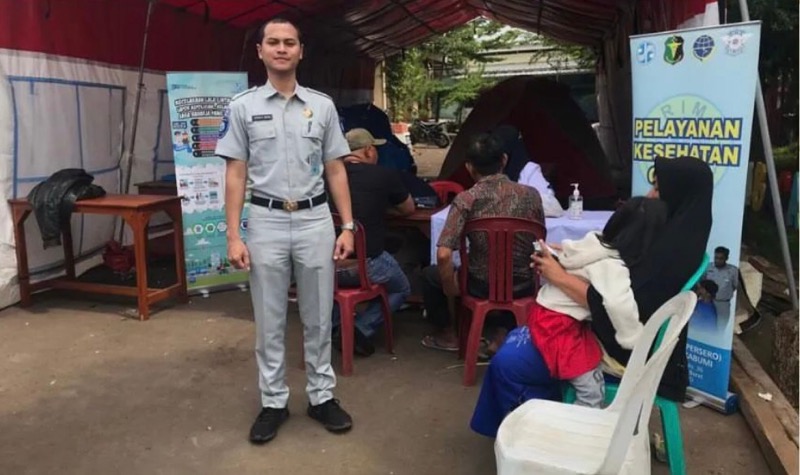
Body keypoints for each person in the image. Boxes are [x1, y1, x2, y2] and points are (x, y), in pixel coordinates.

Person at [470, 156, 712, 437]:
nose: (649, 195)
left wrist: (559, 276)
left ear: (678, 195)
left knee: (507, 363)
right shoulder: (675, 238)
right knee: (516, 347)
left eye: (657, 189)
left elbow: (615, 307)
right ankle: (541, 425)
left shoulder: (667, 258)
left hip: (626, 350)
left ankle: (547, 435)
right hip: (613, 334)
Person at [215, 17, 356, 445]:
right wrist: (234, 235)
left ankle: (321, 396)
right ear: (260, 51)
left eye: (289, 42)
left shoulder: (323, 106)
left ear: (300, 52)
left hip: (315, 220)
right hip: (266, 221)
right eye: (273, 42)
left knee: (317, 316)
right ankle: (273, 402)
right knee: (270, 318)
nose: (281, 49)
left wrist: (346, 225)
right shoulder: (242, 107)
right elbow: (236, 174)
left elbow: (336, 169)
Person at [529, 197, 668, 407]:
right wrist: (634, 337)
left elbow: (568, 249)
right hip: (559, 327)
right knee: (591, 392)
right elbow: (617, 304)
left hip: (546, 313)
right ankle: (575, 433)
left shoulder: (594, 241)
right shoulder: (613, 266)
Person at [420, 133, 544, 352]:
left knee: (431, 275)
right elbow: (540, 240)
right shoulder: (531, 195)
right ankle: (502, 332)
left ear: (469, 167)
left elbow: (443, 255)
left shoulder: (466, 199)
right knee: (508, 276)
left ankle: (450, 334)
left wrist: (450, 288)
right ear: (504, 160)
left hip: (479, 285)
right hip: (525, 283)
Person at [331, 128, 414, 355]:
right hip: (367, 265)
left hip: (329, 266)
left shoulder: (326, 178)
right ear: (368, 151)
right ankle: (360, 328)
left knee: (329, 290)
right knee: (402, 288)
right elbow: (409, 209)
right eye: (375, 149)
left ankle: (336, 326)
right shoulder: (383, 175)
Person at [704, 246, 738, 322]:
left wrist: (723, 293)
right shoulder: (708, 267)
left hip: (723, 305)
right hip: (707, 302)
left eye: (720, 258)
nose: (717, 260)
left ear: (726, 258)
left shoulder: (733, 271)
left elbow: (735, 286)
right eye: (716, 258)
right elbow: (701, 283)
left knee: (719, 329)